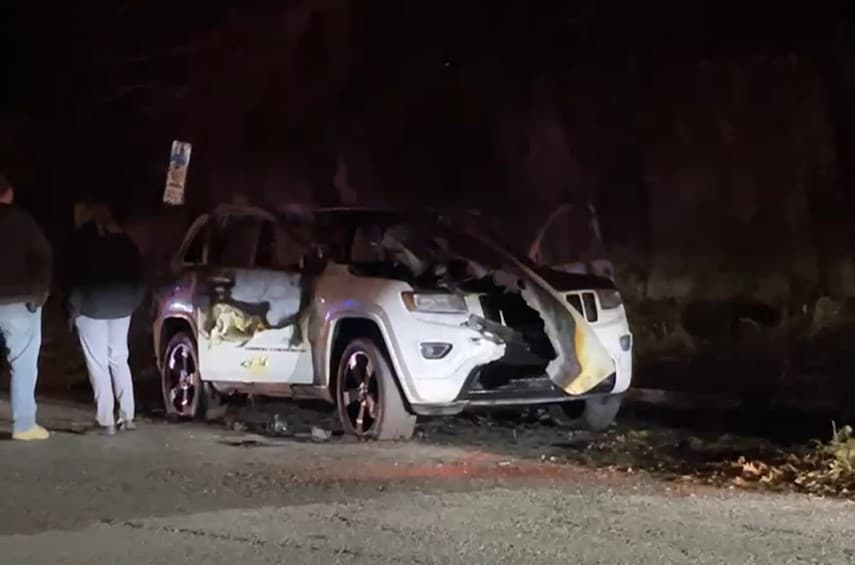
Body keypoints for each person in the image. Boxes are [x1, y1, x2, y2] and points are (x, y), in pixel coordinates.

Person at [66, 202, 145, 435]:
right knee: (119, 359)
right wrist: (133, 302)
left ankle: (105, 419)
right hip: (122, 307)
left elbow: (72, 277)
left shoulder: (81, 242)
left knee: (98, 363)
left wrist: (73, 307)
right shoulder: (124, 241)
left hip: (92, 308)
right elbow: (140, 274)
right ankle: (128, 416)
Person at [0, 174, 52, 441]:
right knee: (23, 363)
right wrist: (39, 292)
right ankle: (24, 424)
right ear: (7, 193)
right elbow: (43, 255)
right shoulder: (22, 221)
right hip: (18, 300)